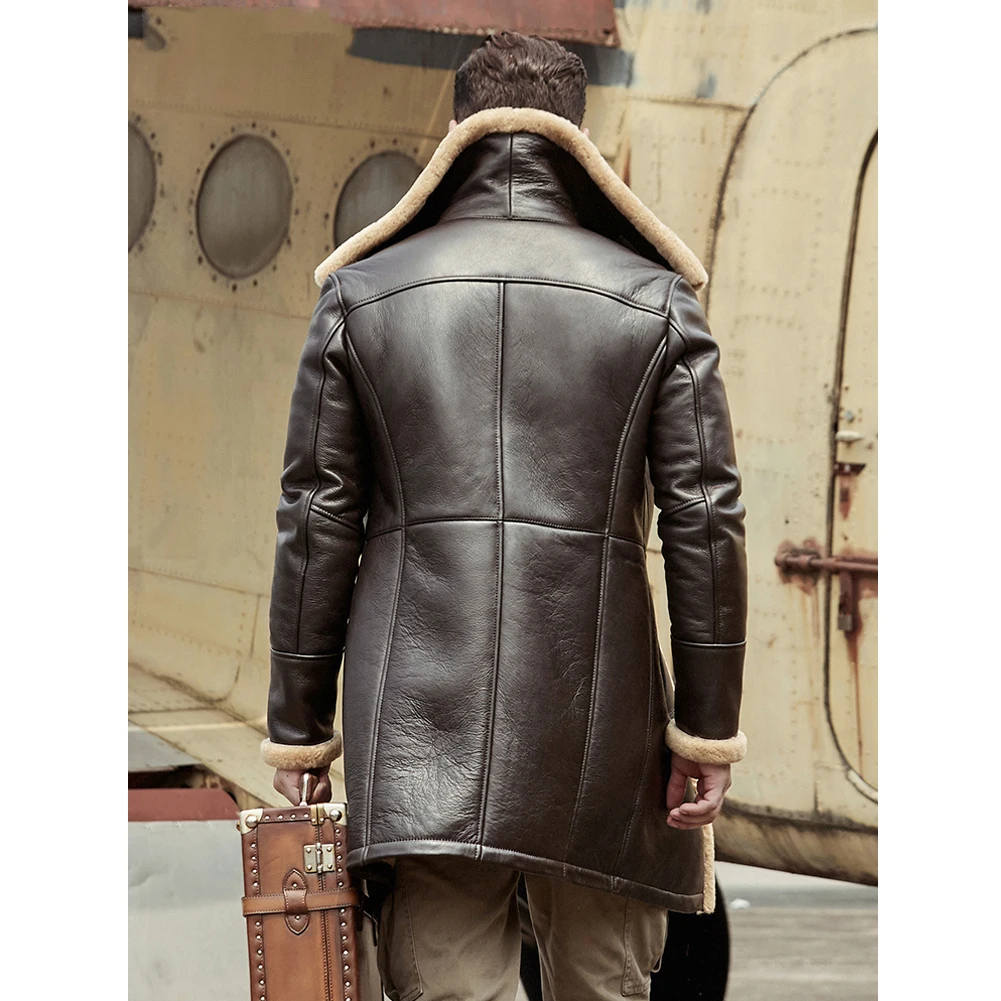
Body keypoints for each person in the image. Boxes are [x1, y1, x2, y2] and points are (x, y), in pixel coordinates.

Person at [261, 31, 747, 1001]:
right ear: (578, 137)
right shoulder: (657, 300)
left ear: (457, 131)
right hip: (601, 735)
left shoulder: (360, 294)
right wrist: (703, 730)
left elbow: (316, 519)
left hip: (418, 734)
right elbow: (705, 521)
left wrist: (300, 728)